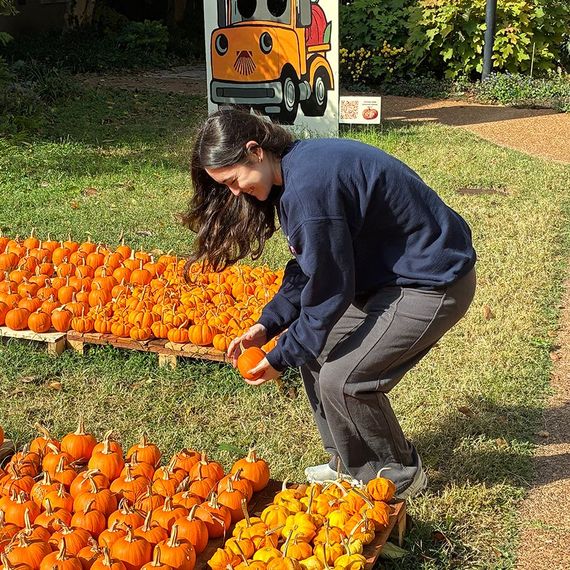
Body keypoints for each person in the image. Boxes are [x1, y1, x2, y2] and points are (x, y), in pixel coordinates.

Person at [184, 108, 476, 498]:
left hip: (434, 282)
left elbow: (328, 290)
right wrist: (267, 325)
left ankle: (402, 475)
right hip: (386, 277)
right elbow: (310, 264)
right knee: (314, 349)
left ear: (254, 151)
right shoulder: (293, 171)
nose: (235, 193)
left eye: (234, 181)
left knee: (346, 379)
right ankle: (348, 461)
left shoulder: (308, 190)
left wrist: (278, 358)